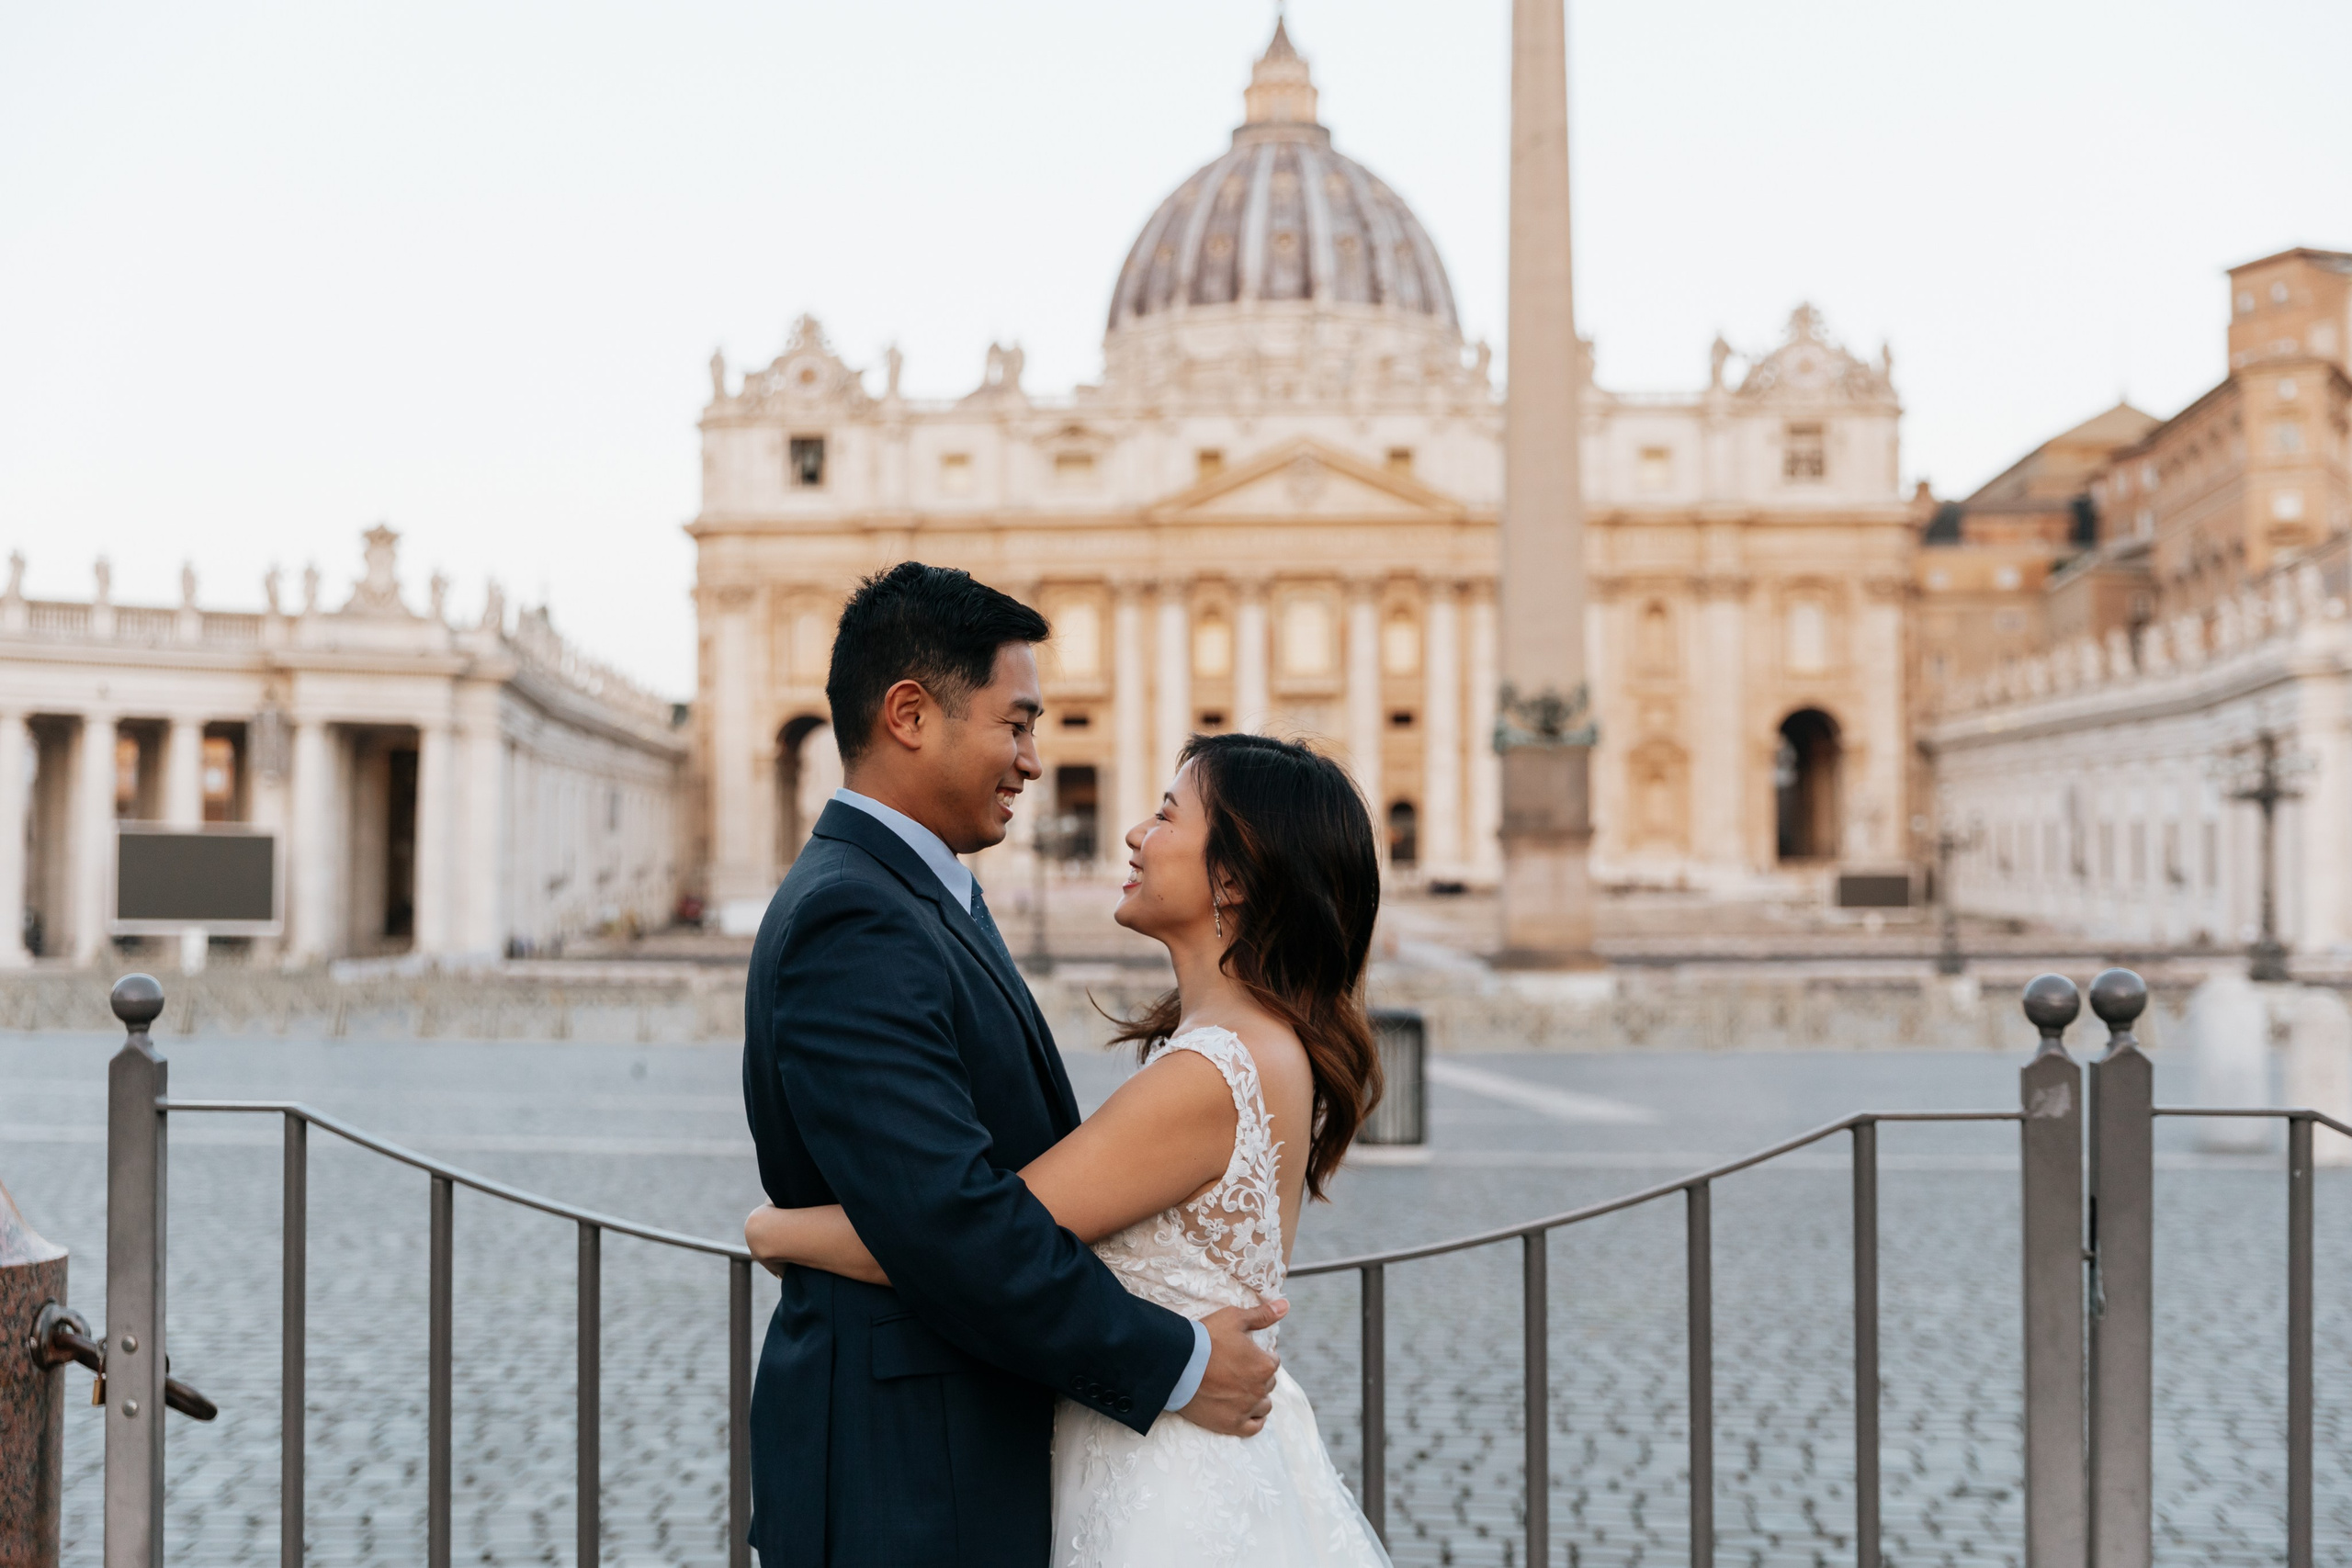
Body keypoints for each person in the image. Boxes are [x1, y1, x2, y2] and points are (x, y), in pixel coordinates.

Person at [741, 563, 1288, 1568]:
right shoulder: (854, 915)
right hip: (903, 1470)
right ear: (910, 713)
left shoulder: (908, 893)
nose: (1033, 760)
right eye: (1016, 723)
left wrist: (793, 1230)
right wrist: (1175, 1363)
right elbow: (955, 1221)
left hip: (949, 1444)